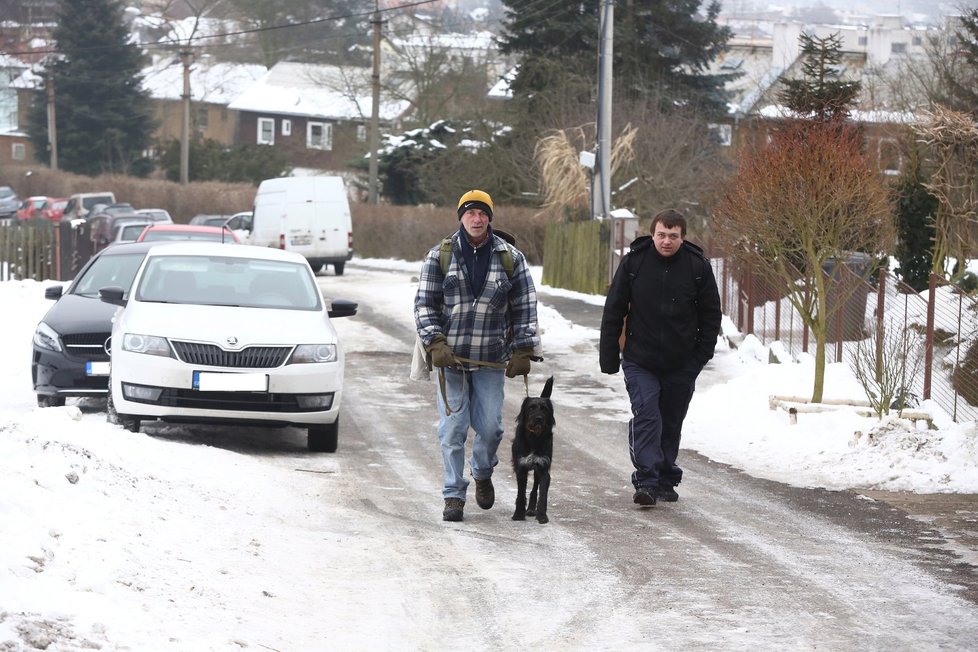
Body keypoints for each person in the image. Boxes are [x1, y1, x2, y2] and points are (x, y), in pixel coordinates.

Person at [415, 189, 541, 522]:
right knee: (453, 429)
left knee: (491, 429)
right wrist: (435, 343)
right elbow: (424, 304)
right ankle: (454, 494)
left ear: (490, 218)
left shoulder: (509, 257)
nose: (476, 218)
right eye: (470, 212)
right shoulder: (439, 256)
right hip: (451, 360)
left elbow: (525, 306)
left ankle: (482, 471)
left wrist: (524, 348)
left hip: (490, 359)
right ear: (461, 217)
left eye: (482, 213)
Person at [599, 209, 722, 507]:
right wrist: (609, 357)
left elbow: (711, 316)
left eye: (673, 236)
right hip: (640, 359)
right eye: (661, 235)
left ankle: (666, 475)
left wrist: (699, 359)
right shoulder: (635, 262)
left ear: (683, 237)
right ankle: (647, 480)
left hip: (681, 362)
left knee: (671, 420)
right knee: (648, 414)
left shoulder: (697, 267)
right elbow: (614, 310)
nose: (666, 241)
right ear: (652, 234)